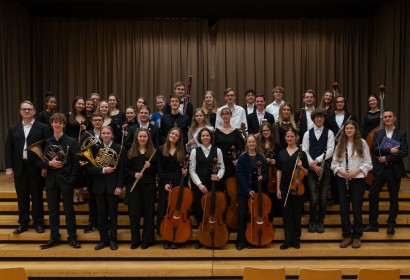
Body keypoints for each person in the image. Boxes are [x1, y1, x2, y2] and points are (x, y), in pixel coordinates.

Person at [5, 101, 51, 234]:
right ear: (20, 111)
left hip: (36, 167)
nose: (26, 111)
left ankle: (38, 223)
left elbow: (47, 149)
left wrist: (45, 166)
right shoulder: (13, 128)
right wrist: (9, 167)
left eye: (29, 109)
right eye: (24, 109)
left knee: (37, 196)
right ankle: (23, 223)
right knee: (22, 197)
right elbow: (9, 150)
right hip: (19, 167)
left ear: (34, 111)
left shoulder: (43, 127)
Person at [38, 113, 81, 249]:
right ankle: (54, 237)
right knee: (53, 211)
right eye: (55, 122)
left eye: (60, 122)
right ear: (51, 124)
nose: (57, 125)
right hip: (51, 181)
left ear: (63, 125)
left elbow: (76, 163)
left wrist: (71, 180)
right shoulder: (46, 142)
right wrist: (48, 164)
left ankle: (72, 237)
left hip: (66, 180)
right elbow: (37, 162)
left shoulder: (71, 141)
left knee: (69, 211)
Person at [363, 110, 408, 235]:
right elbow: (373, 149)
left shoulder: (401, 134)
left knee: (393, 198)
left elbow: (404, 152)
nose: (388, 118)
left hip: (394, 170)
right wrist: (390, 149)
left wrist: (386, 158)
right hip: (379, 170)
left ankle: (391, 224)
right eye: (386, 117)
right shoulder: (377, 133)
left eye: (390, 117)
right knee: (373, 195)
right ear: (383, 119)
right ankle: (373, 224)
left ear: (394, 119)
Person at [331, 120, 372, 249]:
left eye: (351, 128)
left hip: (357, 179)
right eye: (347, 128)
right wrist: (341, 171)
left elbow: (368, 163)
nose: (348, 130)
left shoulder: (362, 143)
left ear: (355, 130)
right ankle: (347, 235)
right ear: (344, 130)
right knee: (343, 209)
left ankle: (357, 236)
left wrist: (357, 171)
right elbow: (334, 164)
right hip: (342, 179)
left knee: (357, 209)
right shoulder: (340, 144)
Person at [86, 126, 125, 250]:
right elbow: (89, 169)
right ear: (101, 135)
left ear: (112, 135)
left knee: (112, 215)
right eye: (104, 133)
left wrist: (119, 186)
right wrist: (103, 170)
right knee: (101, 215)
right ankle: (103, 239)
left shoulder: (119, 149)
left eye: (109, 133)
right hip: (98, 186)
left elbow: (122, 170)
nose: (106, 135)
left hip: (113, 187)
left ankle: (113, 239)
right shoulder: (94, 148)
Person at [189, 128, 225, 249]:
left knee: (213, 210)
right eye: (203, 136)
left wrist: (218, 176)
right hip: (199, 186)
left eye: (207, 135)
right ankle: (201, 237)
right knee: (200, 211)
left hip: (213, 185)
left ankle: (216, 235)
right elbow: (192, 170)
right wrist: (199, 184)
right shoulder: (194, 151)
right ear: (200, 137)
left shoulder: (217, 151)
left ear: (211, 137)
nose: (205, 137)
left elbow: (222, 168)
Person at [302, 109, 335, 233]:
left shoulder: (330, 133)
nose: (319, 119)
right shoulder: (307, 133)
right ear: (313, 118)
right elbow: (305, 150)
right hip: (311, 168)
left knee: (323, 197)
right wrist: (312, 164)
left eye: (321, 117)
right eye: (317, 117)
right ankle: (312, 221)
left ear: (324, 119)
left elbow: (331, 150)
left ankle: (320, 221)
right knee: (314, 197)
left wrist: (317, 160)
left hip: (325, 167)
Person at [276, 128, 309, 250]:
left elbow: (306, 173)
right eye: (288, 137)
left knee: (296, 214)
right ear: (285, 138)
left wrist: (301, 166)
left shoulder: (302, 154)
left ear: (296, 138)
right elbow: (278, 171)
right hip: (284, 187)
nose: (289, 139)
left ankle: (296, 239)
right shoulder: (281, 153)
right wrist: (278, 188)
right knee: (286, 214)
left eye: (292, 137)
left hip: (297, 187)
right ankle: (287, 240)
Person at [125, 128, 157, 249]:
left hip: (149, 185)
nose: (142, 138)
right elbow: (125, 170)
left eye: (145, 137)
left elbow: (156, 172)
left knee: (148, 213)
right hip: (134, 186)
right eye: (140, 136)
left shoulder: (153, 152)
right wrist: (134, 174)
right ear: (136, 138)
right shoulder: (130, 152)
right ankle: (135, 240)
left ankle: (147, 240)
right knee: (134, 213)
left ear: (148, 138)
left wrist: (151, 166)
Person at [156, 127, 188, 249]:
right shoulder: (160, 149)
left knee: (178, 209)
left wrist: (185, 172)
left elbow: (184, 167)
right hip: (165, 182)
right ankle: (167, 236)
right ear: (169, 134)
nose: (174, 136)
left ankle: (178, 236)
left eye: (177, 135)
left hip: (179, 181)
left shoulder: (182, 150)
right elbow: (159, 168)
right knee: (165, 209)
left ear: (179, 138)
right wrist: (164, 183)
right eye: (172, 133)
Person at [235, 134, 268, 250]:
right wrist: (248, 190)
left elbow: (266, 173)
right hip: (244, 191)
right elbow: (239, 175)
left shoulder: (261, 157)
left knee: (254, 216)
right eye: (249, 142)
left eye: (253, 142)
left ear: (256, 143)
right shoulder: (242, 157)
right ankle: (241, 241)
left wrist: (262, 177)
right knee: (243, 215)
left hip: (258, 191)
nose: (251, 144)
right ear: (246, 144)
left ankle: (251, 239)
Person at [80, 112, 104, 234]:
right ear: (92, 121)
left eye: (100, 120)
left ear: (103, 121)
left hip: (106, 173)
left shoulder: (107, 133)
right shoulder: (86, 135)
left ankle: (103, 222)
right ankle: (93, 222)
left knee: (103, 199)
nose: (98, 122)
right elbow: (82, 154)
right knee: (92, 199)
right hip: (91, 173)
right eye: (95, 120)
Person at [214, 107, 245, 189]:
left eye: (227, 114)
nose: (225, 116)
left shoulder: (236, 131)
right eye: (223, 114)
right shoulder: (216, 131)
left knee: (232, 186)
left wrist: (237, 159)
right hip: (220, 161)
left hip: (232, 162)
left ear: (231, 115)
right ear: (221, 116)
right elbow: (214, 147)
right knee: (219, 184)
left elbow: (240, 148)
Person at [258, 122, 282, 218]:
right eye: (263, 130)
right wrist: (264, 159)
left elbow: (280, 159)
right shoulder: (258, 144)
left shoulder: (276, 145)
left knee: (272, 193)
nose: (265, 132)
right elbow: (255, 158)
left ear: (271, 131)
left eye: (267, 130)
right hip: (262, 172)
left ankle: (273, 214)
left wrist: (274, 161)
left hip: (273, 173)